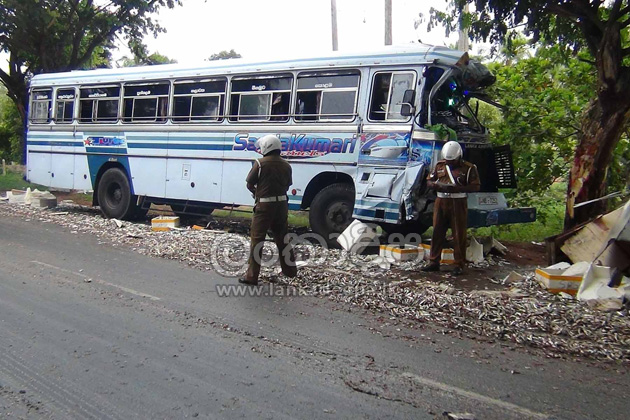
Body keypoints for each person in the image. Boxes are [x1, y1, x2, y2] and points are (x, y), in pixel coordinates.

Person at [239, 134, 297, 285]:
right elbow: (287, 185)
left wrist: (256, 193)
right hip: (281, 206)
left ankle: (252, 276)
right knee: (282, 237)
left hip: (264, 206)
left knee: (257, 239)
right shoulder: (286, 165)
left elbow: (249, 184)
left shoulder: (260, 163)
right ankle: (290, 271)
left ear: (266, 147)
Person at [421, 140, 480, 275]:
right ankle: (434, 262)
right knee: (437, 231)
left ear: (459, 156)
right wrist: (435, 185)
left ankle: (458, 264)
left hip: (458, 201)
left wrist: (458, 188)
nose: (449, 163)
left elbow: (476, 186)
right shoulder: (439, 165)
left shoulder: (469, 168)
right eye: (447, 161)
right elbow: (429, 180)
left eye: (452, 161)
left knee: (458, 234)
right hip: (441, 200)